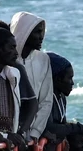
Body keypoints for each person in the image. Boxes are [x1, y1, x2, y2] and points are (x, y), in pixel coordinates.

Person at [10, 12, 54, 144]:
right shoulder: (8, 58)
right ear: (24, 31)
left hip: (33, 137)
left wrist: (35, 132)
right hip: (11, 132)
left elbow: (46, 100)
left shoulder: (43, 59)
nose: (41, 37)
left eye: (42, 32)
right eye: (37, 32)